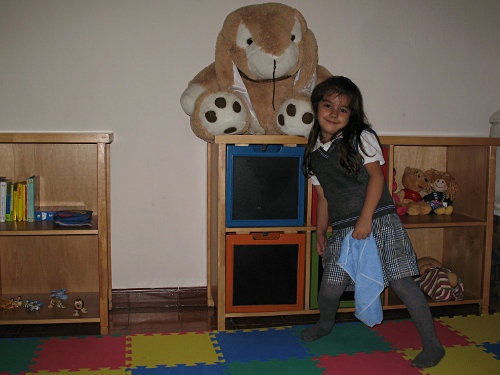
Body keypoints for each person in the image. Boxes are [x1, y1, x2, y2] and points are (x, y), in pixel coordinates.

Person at [301, 76, 445, 368]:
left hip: (378, 220)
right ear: (316, 107)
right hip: (342, 229)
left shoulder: (360, 137)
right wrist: (320, 232)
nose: (333, 113)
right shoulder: (314, 153)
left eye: (343, 109)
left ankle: (433, 345)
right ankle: (326, 324)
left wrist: (366, 218)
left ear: (352, 114)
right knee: (329, 286)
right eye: (328, 105)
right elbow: (324, 198)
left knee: (402, 283)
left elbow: (377, 178)